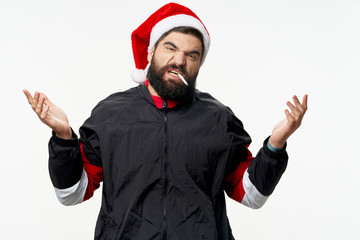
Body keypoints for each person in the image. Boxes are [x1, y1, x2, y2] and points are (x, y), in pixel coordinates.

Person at [23, 3, 308, 240]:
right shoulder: (111, 114)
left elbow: (251, 195)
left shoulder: (219, 119)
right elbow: (72, 193)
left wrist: (275, 145)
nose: (179, 60)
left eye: (191, 55)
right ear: (151, 53)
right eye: (170, 48)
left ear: (199, 64)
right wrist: (63, 137)